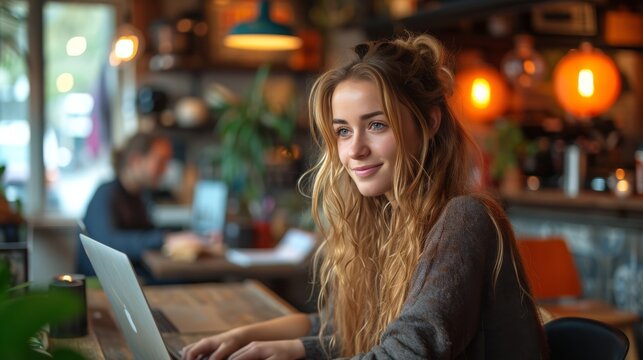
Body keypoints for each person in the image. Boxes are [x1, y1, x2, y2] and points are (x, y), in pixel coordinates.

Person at [182, 33, 547, 359]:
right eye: (342, 131)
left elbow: (407, 352)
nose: (354, 149)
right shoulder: (387, 219)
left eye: (376, 125)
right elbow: (348, 329)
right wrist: (245, 339)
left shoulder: (465, 219)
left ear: (430, 123)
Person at [77, 132, 208, 277]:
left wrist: (192, 238)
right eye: (160, 162)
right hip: (101, 285)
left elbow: (146, 231)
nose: (165, 170)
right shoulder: (106, 193)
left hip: (128, 278)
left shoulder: (138, 196)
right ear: (136, 161)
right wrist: (165, 239)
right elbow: (108, 242)